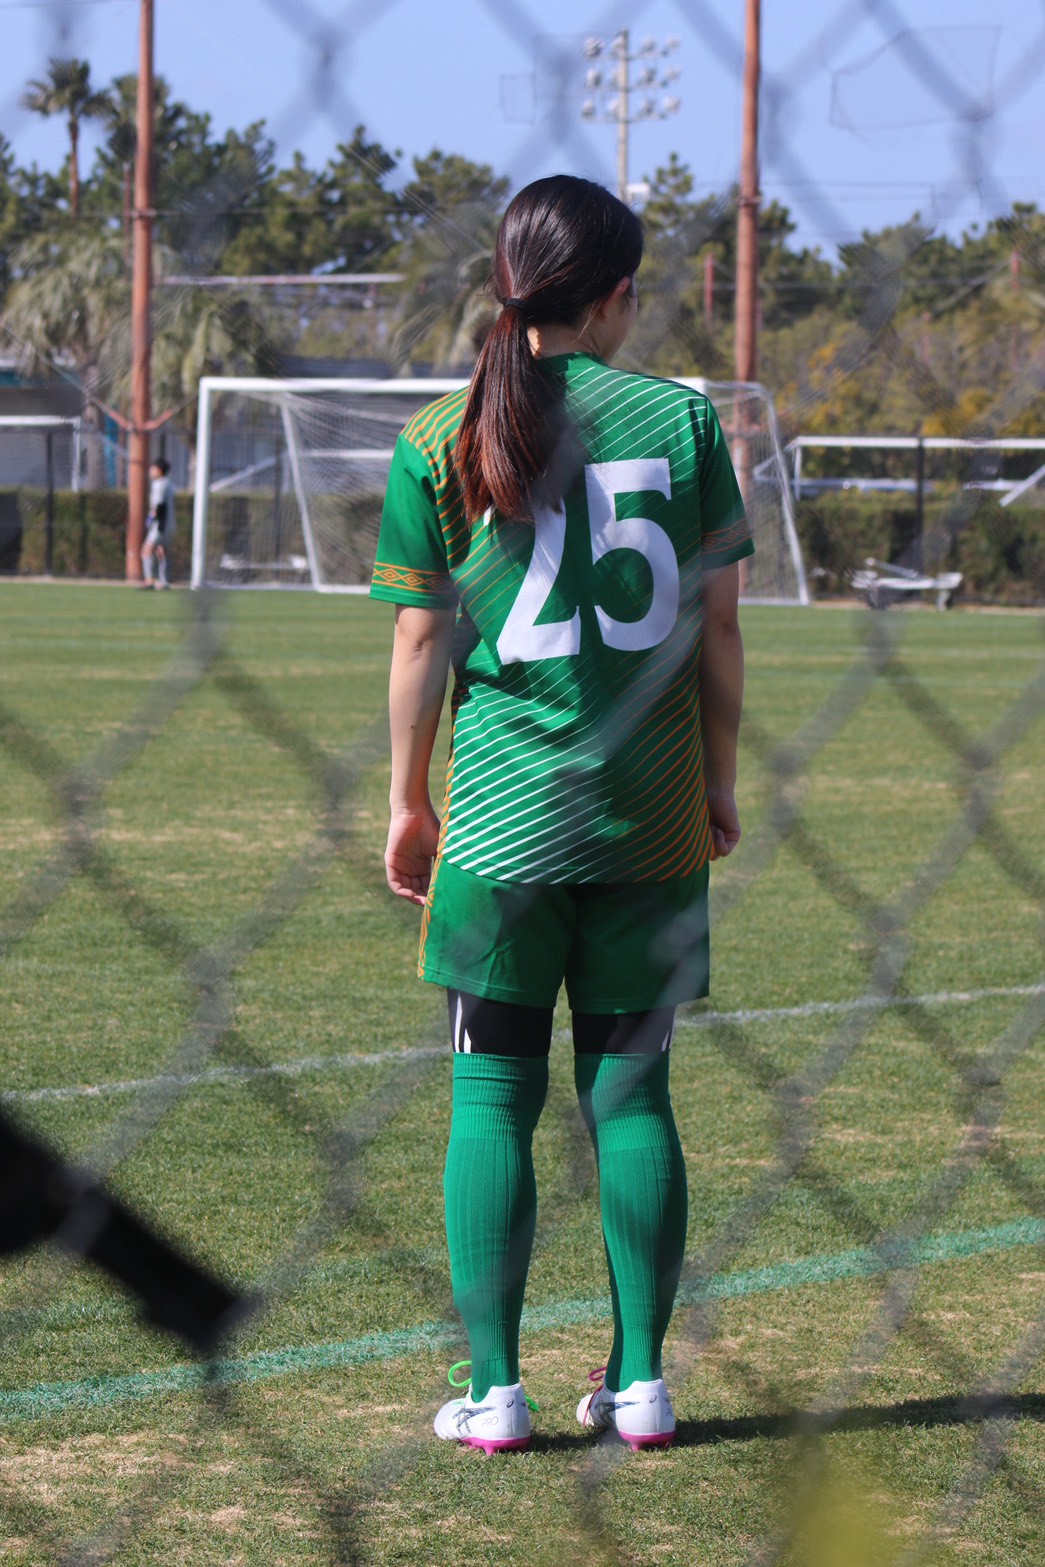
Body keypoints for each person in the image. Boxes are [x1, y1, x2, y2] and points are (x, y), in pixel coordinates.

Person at [369, 174, 752, 1454]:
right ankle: (640, 1382)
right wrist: (715, 780)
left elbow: (420, 636)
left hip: (499, 827)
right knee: (633, 1095)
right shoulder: (680, 421)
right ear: (619, 295)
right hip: (648, 821)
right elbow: (720, 626)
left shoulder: (440, 434)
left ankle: (495, 1392)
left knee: (491, 1096)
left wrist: (407, 800)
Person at [140, 457, 174, 589]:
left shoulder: (158, 484)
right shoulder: (168, 484)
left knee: (146, 550)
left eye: (153, 468)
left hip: (160, 525)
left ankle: (149, 580)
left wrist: (149, 521)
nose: (150, 471)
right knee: (162, 552)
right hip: (169, 524)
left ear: (159, 471)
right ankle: (164, 581)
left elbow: (158, 506)